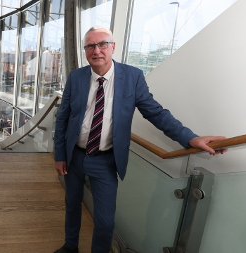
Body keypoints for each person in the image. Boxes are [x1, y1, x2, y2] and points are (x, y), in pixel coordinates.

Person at [53, 26, 227, 253]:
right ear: (85, 50)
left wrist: (191, 138)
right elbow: (63, 118)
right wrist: (59, 155)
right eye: (90, 46)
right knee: (72, 205)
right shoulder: (76, 77)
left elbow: (155, 113)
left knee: (105, 222)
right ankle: (70, 246)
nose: (97, 50)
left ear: (113, 47)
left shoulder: (132, 77)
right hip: (74, 155)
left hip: (105, 161)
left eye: (102, 44)